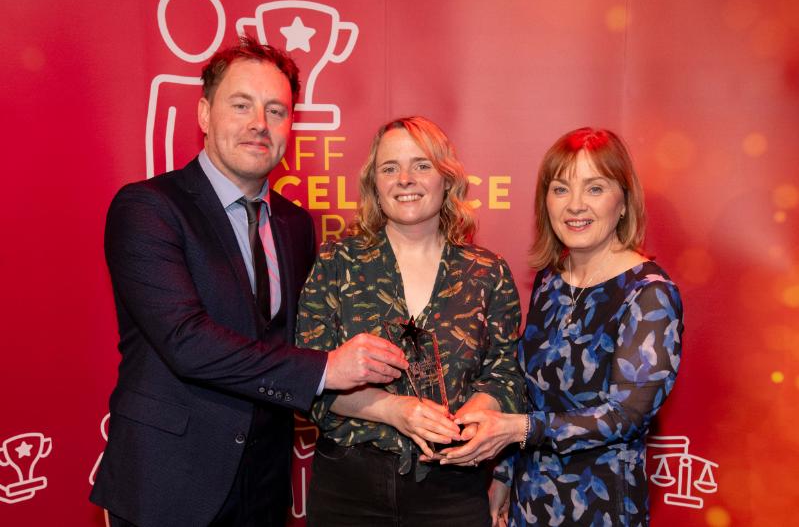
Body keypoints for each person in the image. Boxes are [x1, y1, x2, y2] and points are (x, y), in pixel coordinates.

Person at [89, 36, 407, 527]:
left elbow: (286, 337)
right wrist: (326, 369)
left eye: (276, 111)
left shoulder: (296, 223)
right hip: (168, 482)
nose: (260, 124)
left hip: (264, 481)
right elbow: (186, 342)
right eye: (242, 105)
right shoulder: (148, 208)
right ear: (204, 114)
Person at [445, 127, 684, 526]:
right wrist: (504, 476)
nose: (575, 205)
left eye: (594, 188)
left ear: (623, 201)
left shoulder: (649, 294)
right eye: (560, 189)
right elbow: (530, 391)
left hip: (602, 508)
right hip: (530, 503)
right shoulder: (551, 280)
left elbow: (625, 415)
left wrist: (518, 429)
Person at [295, 117, 525, 526]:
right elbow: (309, 375)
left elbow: (505, 373)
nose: (405, 179)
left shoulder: (487, 273)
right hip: (348, 488)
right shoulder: (337, 263)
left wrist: (472, 416)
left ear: (447, 178)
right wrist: (394, 409)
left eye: (421, 165)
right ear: (374, 185)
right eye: (389, 168)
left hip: (453, 487)